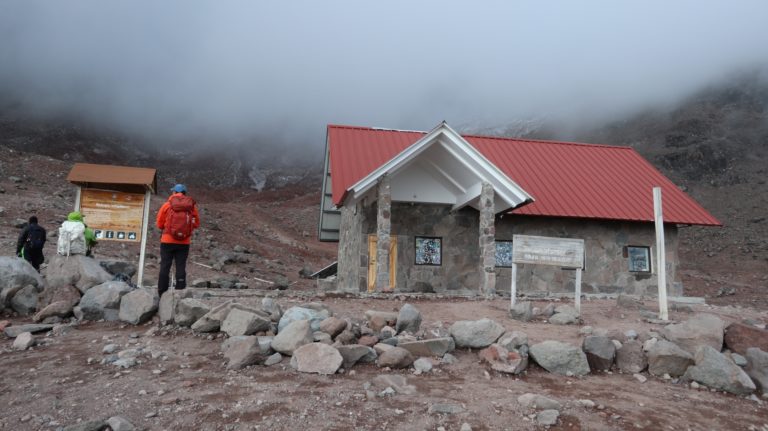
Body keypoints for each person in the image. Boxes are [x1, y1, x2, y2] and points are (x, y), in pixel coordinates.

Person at [156, 184, 200, 296]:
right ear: (184, 193)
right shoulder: (191, 207)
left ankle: (162, 292)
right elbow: (196, 224)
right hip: (184, 242)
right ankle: (180, 291)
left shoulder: (167, 205)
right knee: (181, 265)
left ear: (174, 192)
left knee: (165, 265)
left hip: (167, 241)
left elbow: (159, 224)